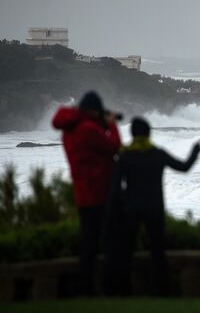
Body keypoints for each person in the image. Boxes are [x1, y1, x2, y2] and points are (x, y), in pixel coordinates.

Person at [108, 117, 200, 296]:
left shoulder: (125, 156)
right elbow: (184, 167)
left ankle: (123, 292)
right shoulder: (157, 154)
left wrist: (112, 212)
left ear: (132, 133)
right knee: (158, 251)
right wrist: (195, 151)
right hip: (154, 208)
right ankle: (163, 291)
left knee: (127, 251)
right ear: (149, 133)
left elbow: (114, 189)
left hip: (131, 209)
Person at [51, 91, 122, 295]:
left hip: (83, 192)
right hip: (99, 192)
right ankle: (104, 288)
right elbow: (114, 146)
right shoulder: (88, 129)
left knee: (88, 242)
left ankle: (86, 287)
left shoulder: (70, 130)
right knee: (107, 242)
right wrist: (112, 125)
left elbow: (93, 151)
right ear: (93, 111)